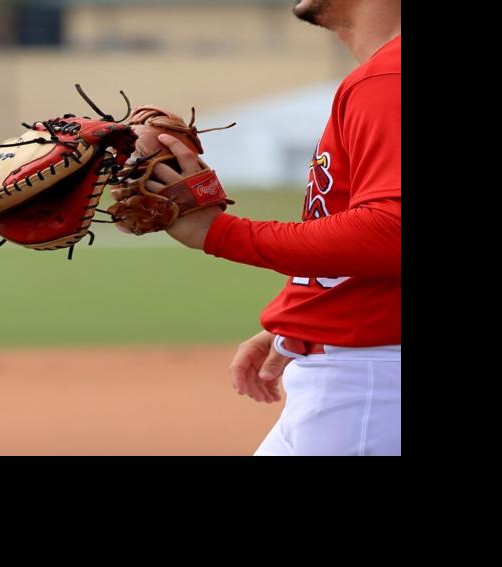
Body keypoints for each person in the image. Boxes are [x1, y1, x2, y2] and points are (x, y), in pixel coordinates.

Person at [133, 0, 401, 456]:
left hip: (370, 384)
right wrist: (307, 318)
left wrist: (217, 232)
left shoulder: (387, 80)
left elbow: (391, 232)